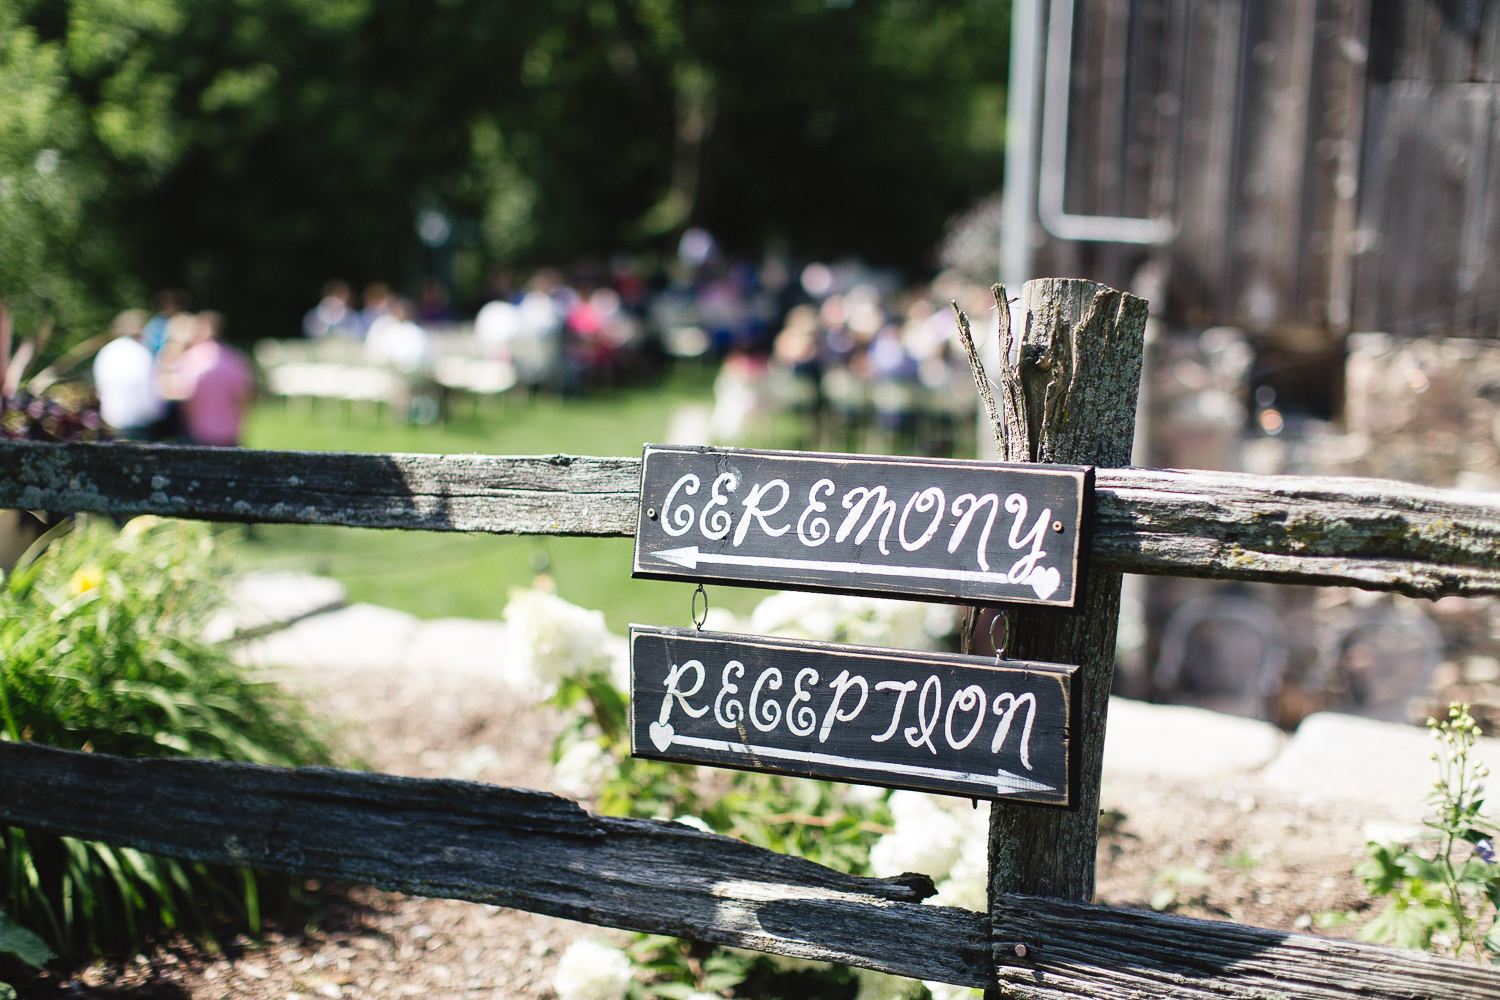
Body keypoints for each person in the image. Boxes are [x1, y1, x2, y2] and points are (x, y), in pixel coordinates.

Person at [162, 311, 254, 446]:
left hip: (198, 432)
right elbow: (244, 397)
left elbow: (185, 397)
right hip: (229, 432)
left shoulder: (190, 359)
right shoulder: (234, 358)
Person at [93, 309, 170, 440]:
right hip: (138, 427)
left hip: (110, 425)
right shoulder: (142, 353)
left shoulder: (106, 351)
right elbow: (150, 397)